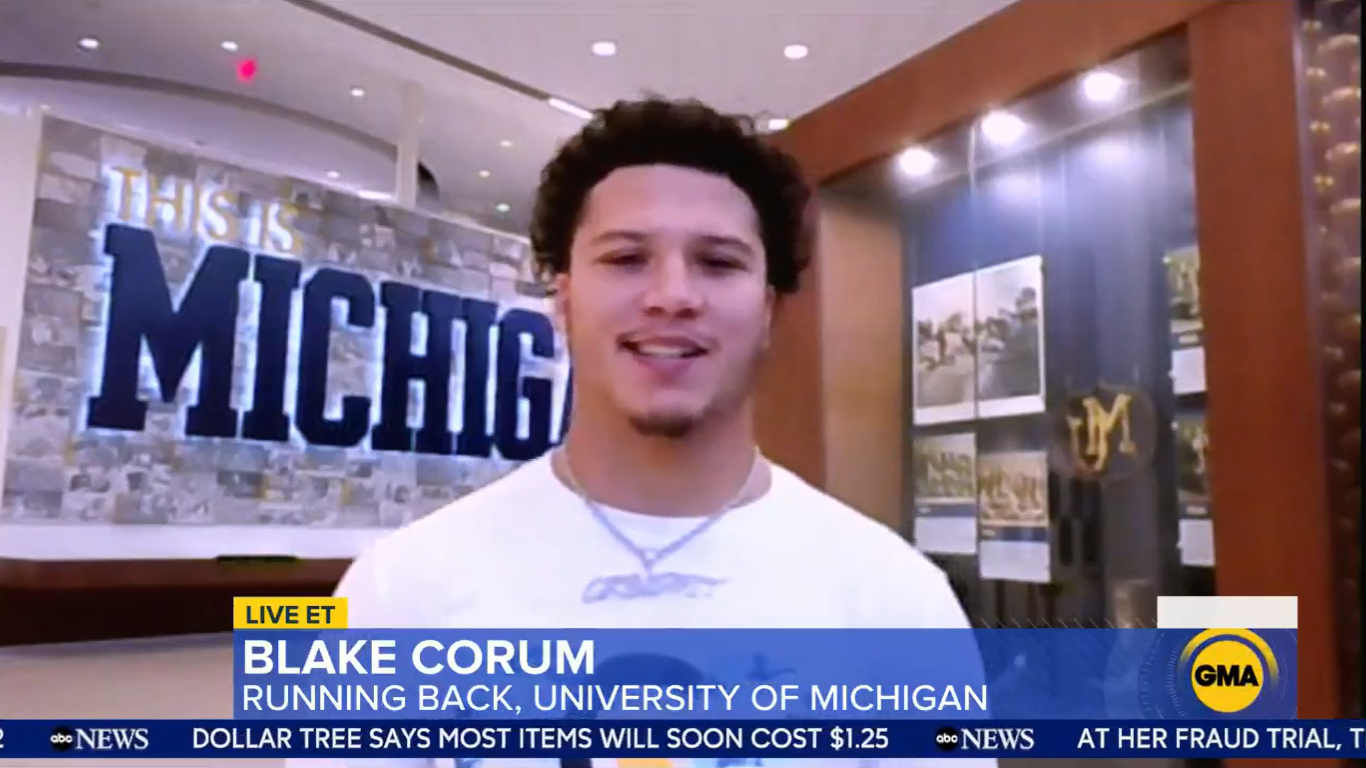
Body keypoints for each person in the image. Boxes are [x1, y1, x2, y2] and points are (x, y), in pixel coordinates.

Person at [299, 98, 993, 768]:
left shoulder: (897, 602)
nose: (672, 296)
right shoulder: (400, 591)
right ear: (565, 302)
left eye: (718, 262)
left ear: (768, 310)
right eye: (627, 259)